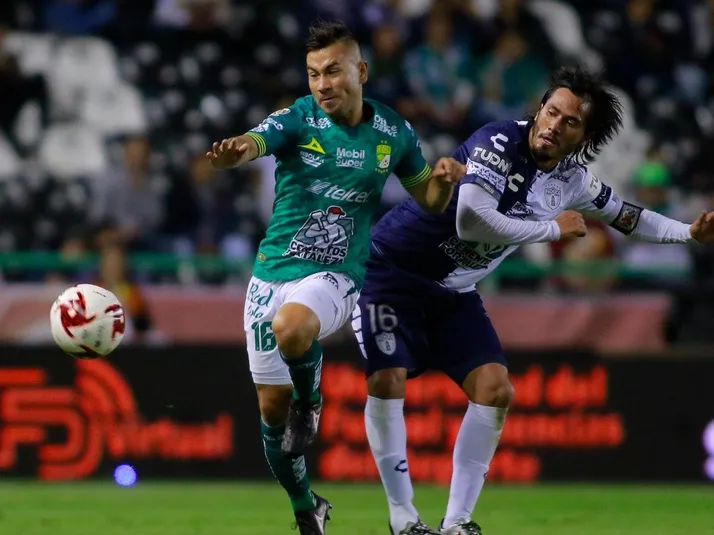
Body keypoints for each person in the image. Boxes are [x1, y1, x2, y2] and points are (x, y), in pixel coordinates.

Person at [352, 65, 714, 535]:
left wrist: (688, 233)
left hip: (453, 290)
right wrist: (551, 229)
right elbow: (470, 221)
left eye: (570, 122)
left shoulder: (573, 180)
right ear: (539, 108)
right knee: (387, 376)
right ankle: (403, 516)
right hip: (390, 273)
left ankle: (457, 523)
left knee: (495, 390)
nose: (554, 125)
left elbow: (628, 216)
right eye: (552, 112)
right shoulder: (498, 141)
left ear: (584, 138)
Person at [206, 20, 465, 535]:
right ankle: (307, 506)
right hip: (271, 273)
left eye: (332, 71)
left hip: (337, 274)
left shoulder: (392, 132)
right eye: (313, 74)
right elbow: (257, 139)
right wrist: (238, 151)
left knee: (292, 328)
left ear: (360, 71)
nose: (322, 84)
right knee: (271, 414)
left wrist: (442, 182)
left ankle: (311, 400)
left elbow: (430, 201)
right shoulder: (298, 118)